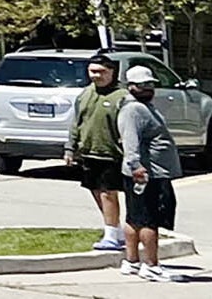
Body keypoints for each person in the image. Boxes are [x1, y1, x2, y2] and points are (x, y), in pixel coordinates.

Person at [117, 65, 186, 282]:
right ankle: (151, 265)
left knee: (135, 217)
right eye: (142, 85)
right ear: (130, 87)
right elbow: (130, 141)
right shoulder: (133, 110)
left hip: (150, 172)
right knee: (149, 220)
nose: (148, 89)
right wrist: (136, 166)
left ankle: (132, 261)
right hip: (146, 174)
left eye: (150, 84)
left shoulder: (144, 107)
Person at [64, 54, 126, 251]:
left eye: (101, 72)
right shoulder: (86, 94)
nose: (96, 76)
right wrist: (70, 148)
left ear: (112, 72)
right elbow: (76, 123)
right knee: (97, 192)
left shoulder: (122, 96)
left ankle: (111, 236)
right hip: (89, 152)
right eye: (93, 71)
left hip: (111, 154)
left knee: (108, 194)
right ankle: (115, 230)